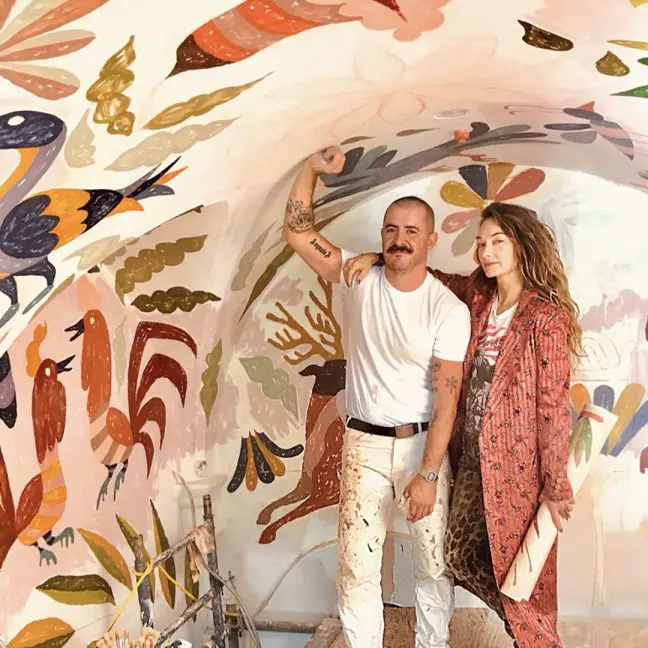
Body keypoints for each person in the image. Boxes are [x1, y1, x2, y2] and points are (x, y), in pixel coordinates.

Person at [343, 202, 582, 648]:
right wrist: (378, 257)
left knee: (520, 567)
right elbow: (423, 272)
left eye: (498, 242)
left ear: (521, 245)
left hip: (515, 467)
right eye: (481, 243)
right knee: (456, 553)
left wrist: (555, 485)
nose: (486, 252)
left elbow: (552, 406)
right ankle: (525, 627)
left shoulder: (545, 318)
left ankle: (534, 636)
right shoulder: (478, 295)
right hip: (470, 456)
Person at [282, 146, 471, 648]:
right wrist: (310, 168)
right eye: (390, 229)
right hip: (363, 445)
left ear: (430, 240)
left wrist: (428, 474)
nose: (399, 239)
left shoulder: (447, 309)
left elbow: (447, 400)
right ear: (381, 235)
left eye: (411, 231)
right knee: (356, 568)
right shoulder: (358, 276)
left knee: (433, 566)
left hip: (421, 447)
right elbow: (298, 233)